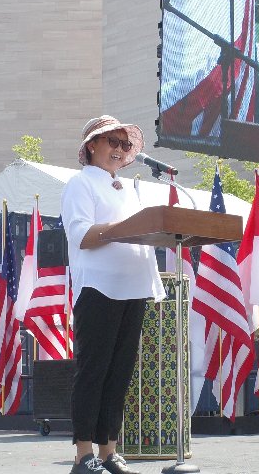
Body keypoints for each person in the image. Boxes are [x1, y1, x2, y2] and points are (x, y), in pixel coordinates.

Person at [61, 115, 166, 474]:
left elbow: (144, 232)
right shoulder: (81, 185)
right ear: (92, 145)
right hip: (99, 288)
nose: (120, 151)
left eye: (125, 145)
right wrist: (126, 228)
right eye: (113, 143)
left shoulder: (128, 190)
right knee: (94, 371)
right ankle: (83, 455)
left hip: (132, 287)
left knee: (120, 373)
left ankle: (109, 451)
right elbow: (81, 235)